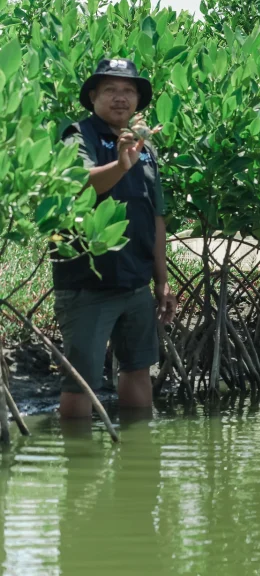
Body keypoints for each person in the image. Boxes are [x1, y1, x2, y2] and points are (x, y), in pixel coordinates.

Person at [51, 58, 177, 419]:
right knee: (82, 381)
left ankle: (138, 460)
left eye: (128, 90)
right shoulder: (77, 136)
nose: (120, 98)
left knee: (138, 369)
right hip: (88, 285)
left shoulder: (146, 149)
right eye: (110, 89)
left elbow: (155, 218)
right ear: (93, 96)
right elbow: (81, 185)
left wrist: (162, 281)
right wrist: (121, 165)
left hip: (135, 284)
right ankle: (79, 466)